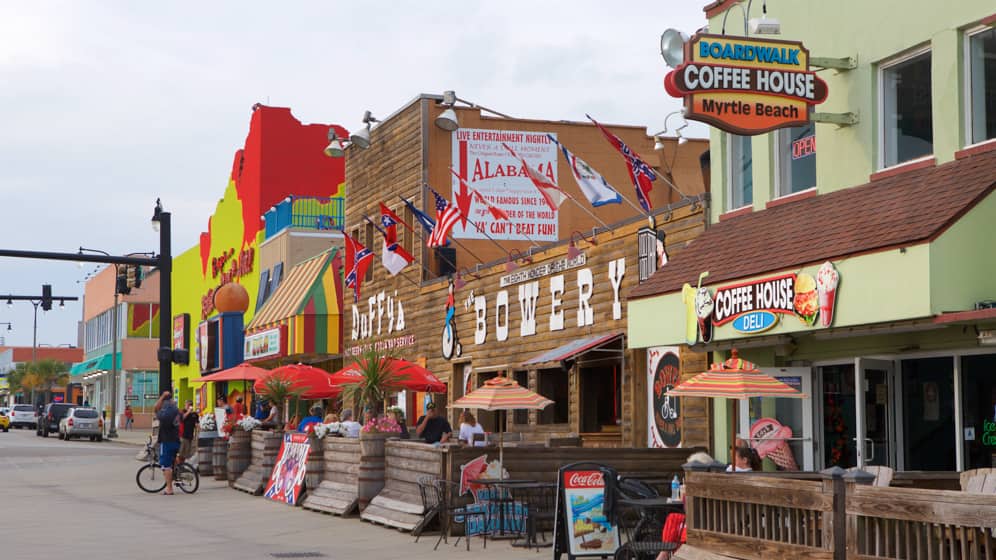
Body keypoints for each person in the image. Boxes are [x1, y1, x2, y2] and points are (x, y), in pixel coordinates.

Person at [154, 391, 181, 495]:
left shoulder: (166, 412)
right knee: (173, 460)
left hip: (167, 440)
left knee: (166, 465)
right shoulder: (175, 409)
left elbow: (156, 408)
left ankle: (169, 488)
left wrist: (162, 396)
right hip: (176, 439)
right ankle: (177, 474)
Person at [178, 400, 199, 465]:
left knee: (186, 454)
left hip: (190, 436)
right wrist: (188, 412)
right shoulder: (183, 412)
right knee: (181, 454)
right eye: (187, 405)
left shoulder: (194, 414)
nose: (189, 406)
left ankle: (182, 466)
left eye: (190, 404)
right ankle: (177, 467)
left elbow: (197, 423)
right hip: (183, 436)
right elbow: (182, 418)